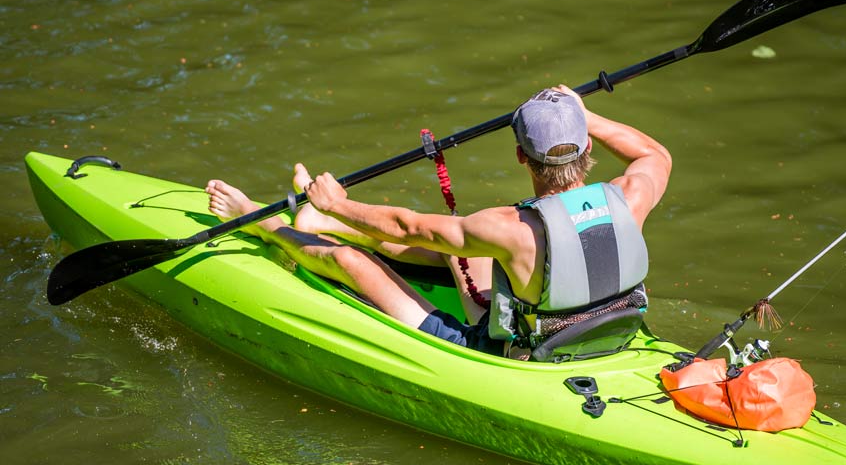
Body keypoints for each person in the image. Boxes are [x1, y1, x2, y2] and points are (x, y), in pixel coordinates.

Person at [205, 85, 672, 359]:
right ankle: (320, 218)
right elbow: (654, 153)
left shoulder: (507, 228)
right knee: (457, 247)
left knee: (352, 262)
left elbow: (409, 226)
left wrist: (338, 203)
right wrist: (583, 114)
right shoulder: (631, 198)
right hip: (611, 334)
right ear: (588, 146)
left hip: (522, 353)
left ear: (519, 157)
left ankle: (254, 219)